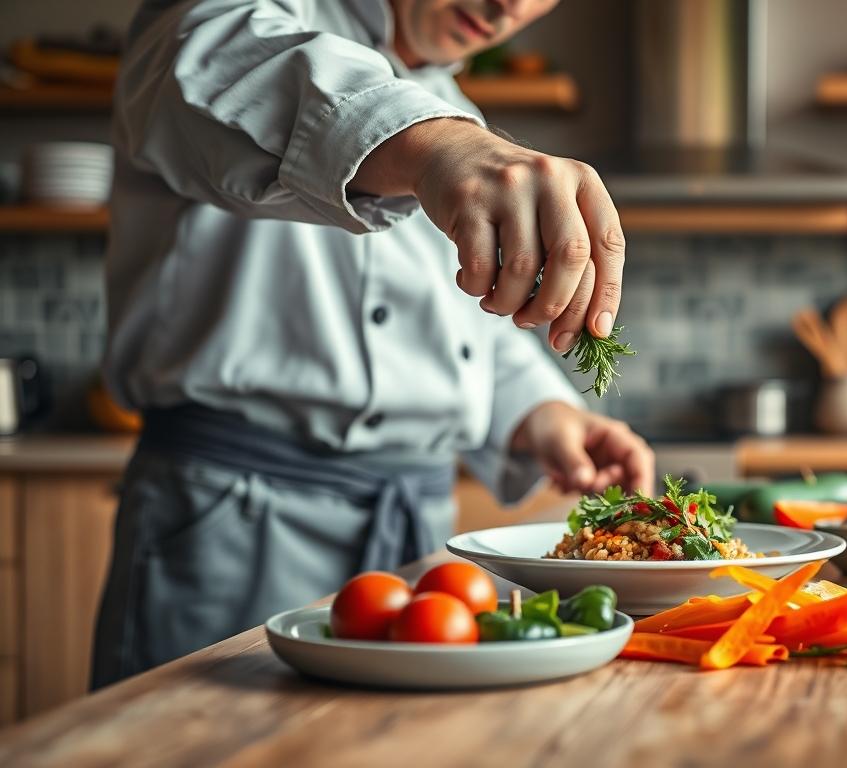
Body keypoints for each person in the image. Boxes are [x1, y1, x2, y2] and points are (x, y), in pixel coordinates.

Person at [92, 0, 653, 687]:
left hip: (416, 554)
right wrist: (435, 147)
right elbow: (208, 60)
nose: (509, 4)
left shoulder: (456, 113)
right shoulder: (231, 21)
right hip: (228, 528)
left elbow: (459, 322)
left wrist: (543, 414)